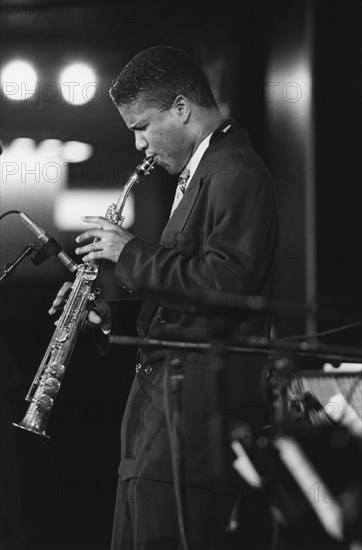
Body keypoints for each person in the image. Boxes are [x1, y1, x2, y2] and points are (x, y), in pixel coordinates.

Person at [50, 46, 278, 549]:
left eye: (142, 126)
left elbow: (225, 285)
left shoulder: (236, 169)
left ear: (181, 108)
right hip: (164, 419)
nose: (138, 144)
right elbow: (187, 297)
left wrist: (128, 252)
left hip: (192, 423)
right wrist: (110, 316)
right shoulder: (204, 174)